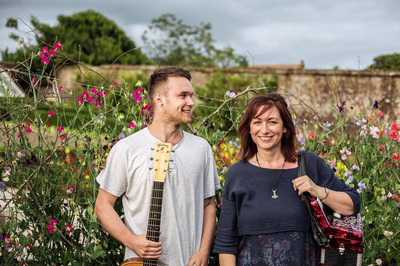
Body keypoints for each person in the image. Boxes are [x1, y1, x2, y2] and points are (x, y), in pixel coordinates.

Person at [213, 93, 360, 265]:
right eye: (257, 122)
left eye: (272, 122)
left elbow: (352, 204)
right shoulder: (237, 174)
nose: (265, 130)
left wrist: (319, 191)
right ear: (249, 129)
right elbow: (226, 243)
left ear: (285, 127)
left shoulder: (309, 165)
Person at [95, 67, 220, 266]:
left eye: (191, 95)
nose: (191, 102)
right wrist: (132, 241)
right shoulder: (127, 149)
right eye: (183, 95)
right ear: (159, 99)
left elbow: (208, 204)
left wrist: (203, 252)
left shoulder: (201, 148)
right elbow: (102, 204)